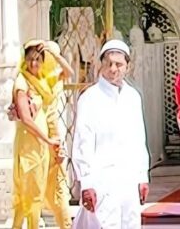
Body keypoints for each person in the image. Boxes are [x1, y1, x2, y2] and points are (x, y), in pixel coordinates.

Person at [72, 39, 150, 229]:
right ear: (101, 65)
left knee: (130, 223)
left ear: (127, 67)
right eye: (109, 63)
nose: (113, 69)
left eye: (119, 64)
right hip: (101, 180)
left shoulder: (132, 97)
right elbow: (83, 143)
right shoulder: (90, 98)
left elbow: (139, 139)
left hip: (129, 179)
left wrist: (142, 176)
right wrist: (87, 183)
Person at [10, 40, 71, 229]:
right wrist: (47, 140)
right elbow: (27, 120)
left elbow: (69, 73)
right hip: (32, 146)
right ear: (24, 60)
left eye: (38, 59)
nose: (34, 64)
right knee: (30, 196)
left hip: (50, 144)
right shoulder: (22, 82)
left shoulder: (45, 80)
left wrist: (56, 55)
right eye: (30, 59)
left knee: (55, 191)